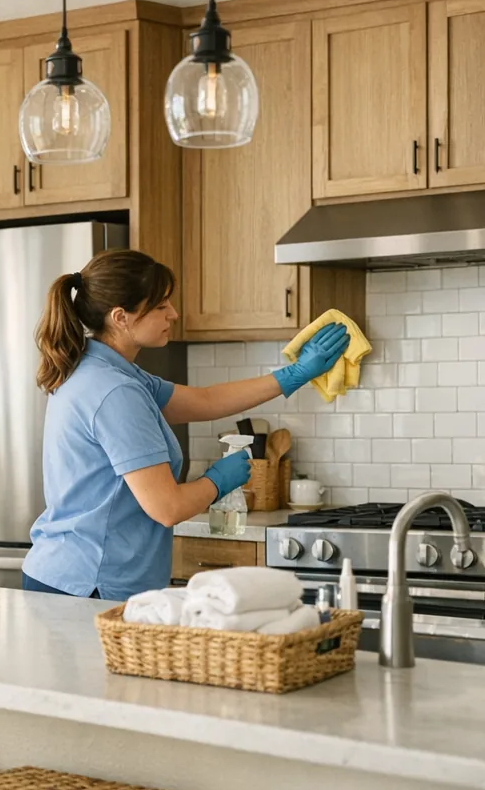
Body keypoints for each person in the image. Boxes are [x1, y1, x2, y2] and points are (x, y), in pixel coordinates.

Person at [22, 249, 348, 601]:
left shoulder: (105, 371)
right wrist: (217, 480)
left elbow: (205, 401)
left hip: (69, 576)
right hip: (92, 584)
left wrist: (294, 375)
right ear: (121, 317)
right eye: (161, 306)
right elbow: (167, 508)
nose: (173, 313)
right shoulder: (115, 391)